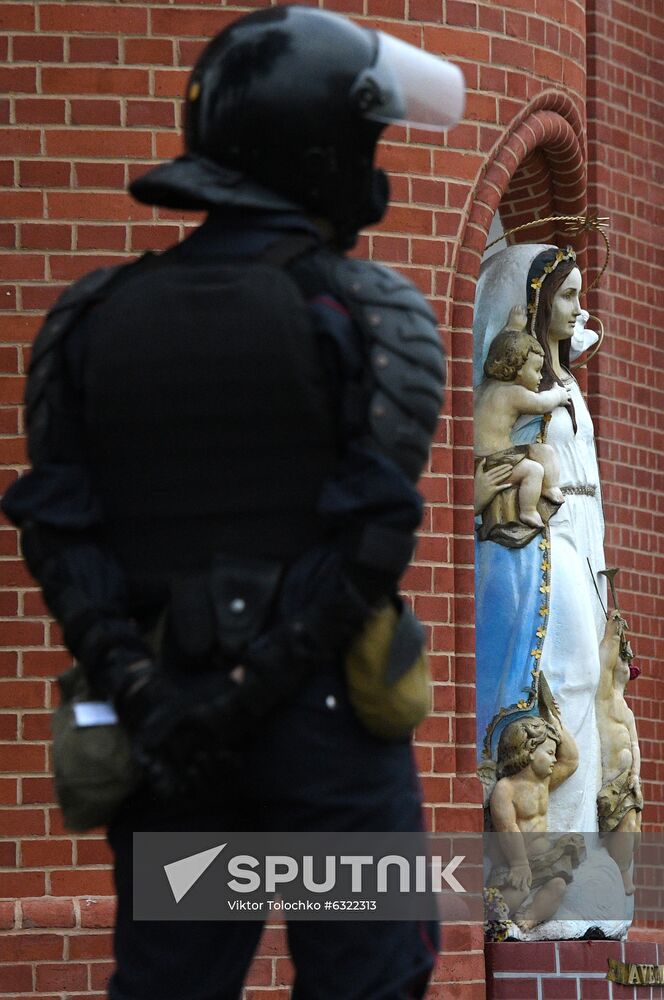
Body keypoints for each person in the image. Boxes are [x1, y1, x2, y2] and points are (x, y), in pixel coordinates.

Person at [1, 7, 464, 998]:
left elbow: (58, 534)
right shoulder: (361, 313)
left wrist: (148, 688)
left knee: (172, 981)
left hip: (162, 730)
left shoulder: (88, 318)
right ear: (320, 146)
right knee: (368, 979)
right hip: (326, 735)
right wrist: (257, 690)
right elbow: (372, 538)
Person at [474, 243, 609, 839]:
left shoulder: (564, 381)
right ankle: (545, 848)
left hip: (582, 532)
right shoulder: (518, 382)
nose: (580, 310)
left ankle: (579, 862)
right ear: (538, 300)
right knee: (562, 669)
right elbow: (490, 459)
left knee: (590, 675)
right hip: (543, 535)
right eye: (570, 296)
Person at [474, 305, 569, 529]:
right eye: (536, 370)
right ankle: (528, 511)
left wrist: (512, 328)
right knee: (533, 470)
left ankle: (549, 487)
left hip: (495, 455)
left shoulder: (483, 388)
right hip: (496, 461)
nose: (539, 376)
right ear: (517, 369)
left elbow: (505, 349)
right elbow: (541, 404)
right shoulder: (514, 393)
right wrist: (557, 394)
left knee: (542, 450)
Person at [488, 712, 581, 931]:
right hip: (516, 862)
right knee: (517, 892)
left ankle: (531, 917)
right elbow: (507, 828)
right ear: (530, 751)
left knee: (558, 886)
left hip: (545, 860)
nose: (554, 759)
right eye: (549, 753)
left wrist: (556, 725)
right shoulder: (506, 788)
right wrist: (519, 863)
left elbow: (571, 760)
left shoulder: (543, 783)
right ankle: (492, 921)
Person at [596, 611, 643, 894]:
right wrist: (613, 635)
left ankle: (622, 869)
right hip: (611, 782)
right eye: (624, 660)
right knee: (625, 828)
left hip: (628, 781)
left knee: (634, 829)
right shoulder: (604, 696)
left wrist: (635, 774)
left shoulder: (626, 708)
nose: (627, 665)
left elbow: (635, 745)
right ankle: (621, 872)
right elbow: (604, 665)